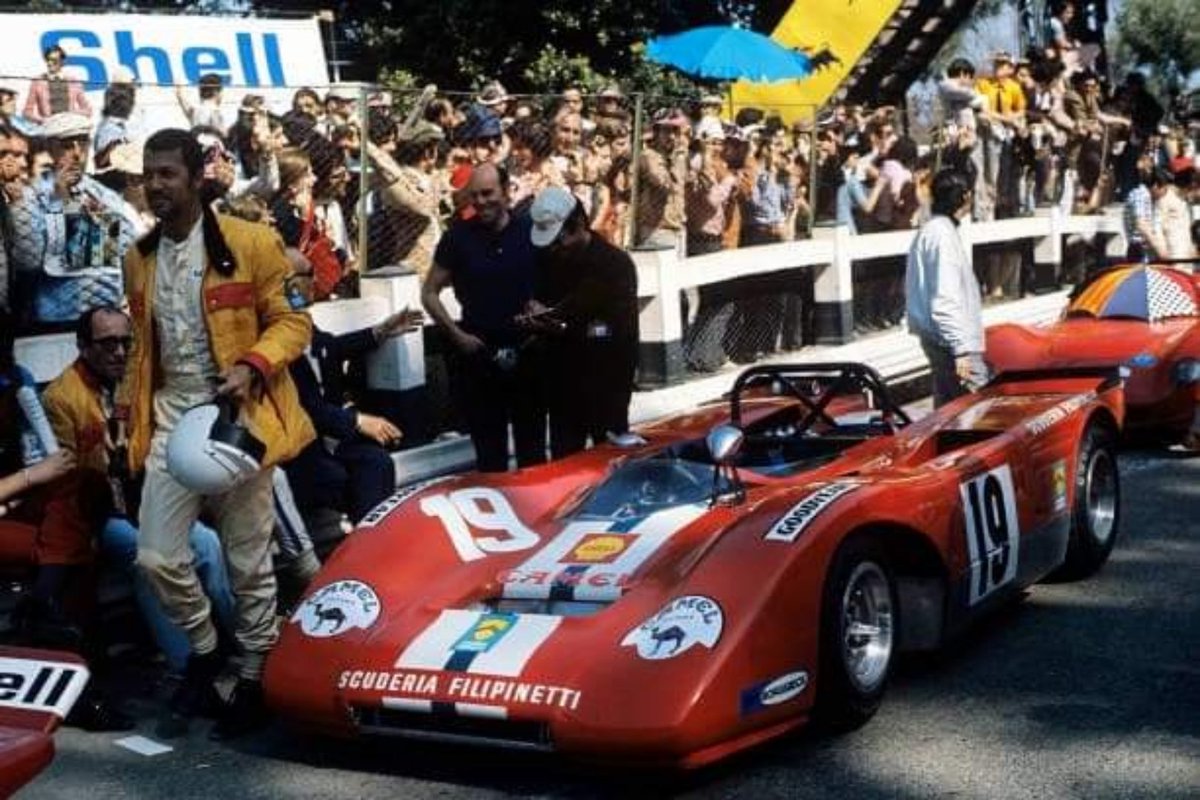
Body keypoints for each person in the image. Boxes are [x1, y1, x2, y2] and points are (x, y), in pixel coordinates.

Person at [124, 128, 315, 739]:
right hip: (172, 421)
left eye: (167, 175)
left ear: (197, 178)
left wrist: (250, 366)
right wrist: (131, 424)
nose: (155, 186)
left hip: (242, 420)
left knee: (248, 559)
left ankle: (256, 672)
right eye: (148, 175)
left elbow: (294, 323)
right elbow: (140, 354)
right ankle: (207, 652)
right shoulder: (139, 256)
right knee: (155, 555)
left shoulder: (255, 241)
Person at [41, 306, 236, 682]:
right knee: (148, 558)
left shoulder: (137, 383)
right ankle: (187, 670)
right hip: (97, 513)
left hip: (142, 498)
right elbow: (65, 479)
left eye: (125, 342)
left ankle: (240, 644)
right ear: (83, 347)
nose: (118, 352)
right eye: (107, 343)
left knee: (208, 544)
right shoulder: (61, 398)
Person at [421, 162, 546, 472]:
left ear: (506, 192)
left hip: (528, 350)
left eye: (488, 193)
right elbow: (429, 293)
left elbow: (555, 280)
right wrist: (456, 335)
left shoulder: (531, 232)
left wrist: (542, 306)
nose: (481, 202)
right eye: (474, 195)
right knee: (490, 455)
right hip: (480, 352)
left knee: (533, 450)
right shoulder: (457, 238)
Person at [522, 187, 638, 458]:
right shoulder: (547, 260)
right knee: (565, 458)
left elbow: (617, 331)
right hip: (562, 384)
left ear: (579, 226)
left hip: (607, 381)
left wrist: (562, 326)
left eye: (560, 240)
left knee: (611, 459)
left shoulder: (615, 265)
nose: (555, 248)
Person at [905, 169, 987, 407]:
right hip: (951, 343)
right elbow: (945, 295)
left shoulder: (934, 230)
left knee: (947, 412)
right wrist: (960, 349)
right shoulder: (941, 235)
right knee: (976, 412)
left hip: (939, 339)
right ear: (964, 197)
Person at [23, 46, 92, 123]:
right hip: (49, 128)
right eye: (48, 59)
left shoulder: (74, 81)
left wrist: (72, 114)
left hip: (69, 126)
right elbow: (27, 112)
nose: (50, 63)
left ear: (62, 62)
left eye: (54, 60)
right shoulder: (38, 81)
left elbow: (87, 110)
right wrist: (42, 121)